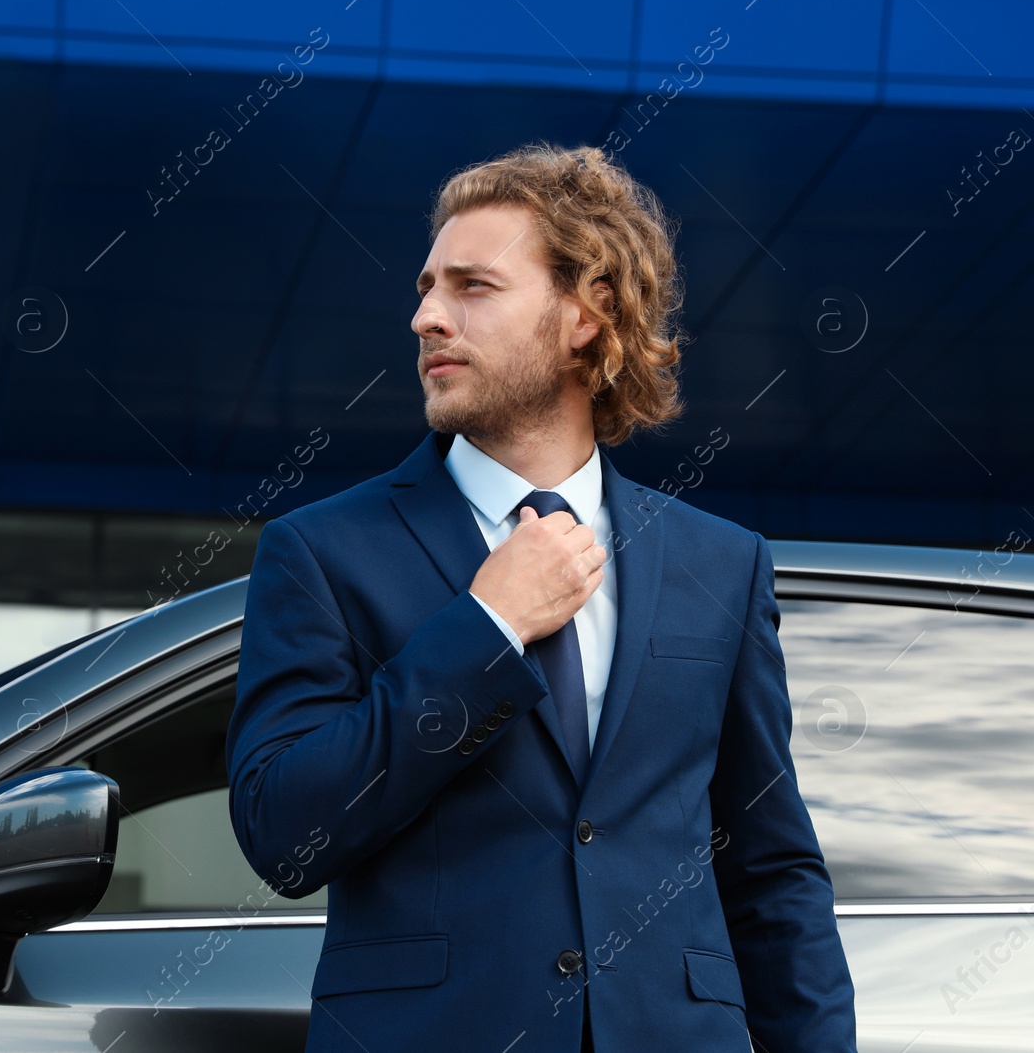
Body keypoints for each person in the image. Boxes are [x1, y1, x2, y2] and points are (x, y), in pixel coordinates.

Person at [225, 142, 857, 1053]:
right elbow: (283, 832)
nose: (426, 317)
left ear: (587, 313)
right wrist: (487, 628)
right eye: (426, 287)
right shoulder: (320, 551)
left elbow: (771, 872)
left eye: (472, 286)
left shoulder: (721, 563)